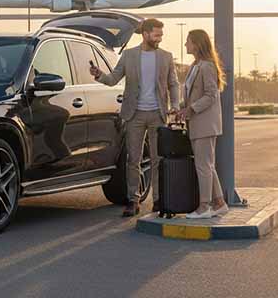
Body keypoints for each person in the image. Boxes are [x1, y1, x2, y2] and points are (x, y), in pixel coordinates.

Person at [90, 18, 180, 217]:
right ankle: (133, 200)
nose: (160, 38)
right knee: (133, 159)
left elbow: (173, 83)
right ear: (145, 34)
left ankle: (158, 200)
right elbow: (113, 79)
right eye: (157, 34)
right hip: (134, 114)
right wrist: (99, 75)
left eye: (161, 35)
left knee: (158, 159)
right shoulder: (129, 55)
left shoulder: (166, 56)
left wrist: (175, 105)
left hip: (158, 114)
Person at [175, 29, 229, 219]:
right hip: (197, 123)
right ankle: (220, 203)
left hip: (205, 124)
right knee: (207, 165)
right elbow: (193, 95)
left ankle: (204, 207)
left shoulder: (207, 66)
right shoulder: (195, 65)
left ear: (197, 44)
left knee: (203, 166)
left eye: (188, 41)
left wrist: (190, 110)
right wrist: (181, 108)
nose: (185, 45)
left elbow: (211, 95)